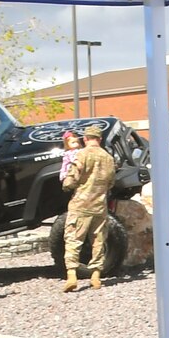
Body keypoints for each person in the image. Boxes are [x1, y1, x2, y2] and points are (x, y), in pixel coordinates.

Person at [62, 125, 117, 293]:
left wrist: (66, 184)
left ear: (85, 139)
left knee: (73, 239)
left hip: (80, 205)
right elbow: (111, 183)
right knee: (98, 241)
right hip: (99, 206)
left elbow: (70, 181)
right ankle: (95, 275)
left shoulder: (81, 154)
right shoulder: (108, 158)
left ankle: (72, 274)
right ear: (99, 139)